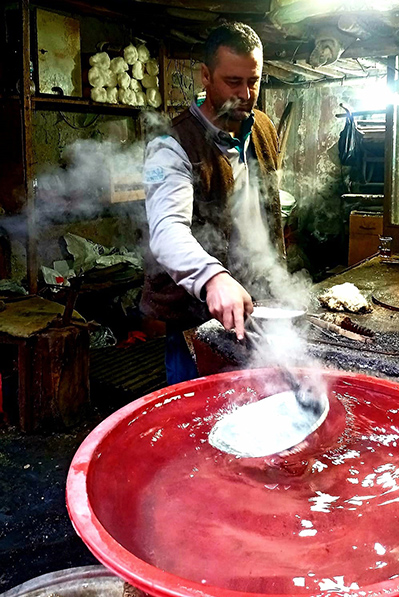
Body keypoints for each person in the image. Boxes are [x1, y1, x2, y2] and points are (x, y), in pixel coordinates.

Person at [141, 22, 284, 384]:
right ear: (205, 76)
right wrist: (214, 278)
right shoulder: (171, 145)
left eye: (254, 81)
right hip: (197, 317)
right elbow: (166, 230)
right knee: (195, 423)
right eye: (232, 82)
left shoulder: (262, 128)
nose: (246, 94)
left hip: (259, 304)